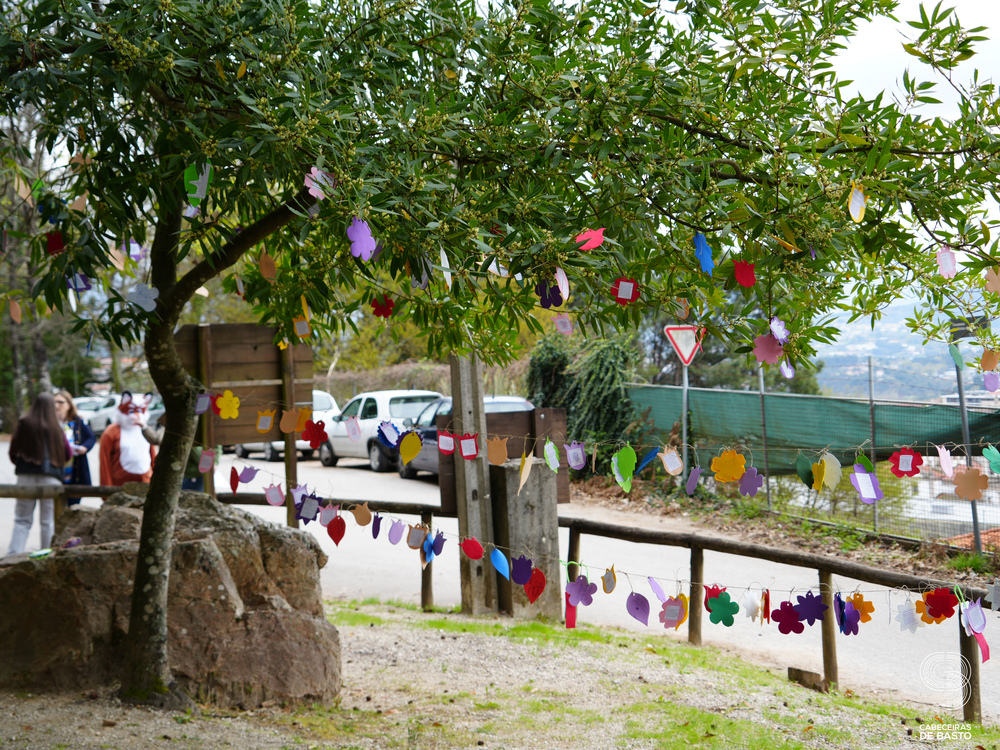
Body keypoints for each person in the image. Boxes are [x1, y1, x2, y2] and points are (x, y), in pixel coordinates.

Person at [7, 393, 73, 555]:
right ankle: (45, 556)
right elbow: (68, 453)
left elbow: (13, 451)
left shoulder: (24, 423)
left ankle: (13, 556)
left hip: (25, 478)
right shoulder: (57, 427)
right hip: (51, 480)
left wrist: (23, 465)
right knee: (48, 521)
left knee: (22, 519)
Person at [99, 391, 157, 486]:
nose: (136, 415)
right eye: (131, 411)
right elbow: (105, 462)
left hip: (145, 480)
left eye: (139, 411)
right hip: (121, 482)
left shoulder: (145, 430)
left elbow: (153, 457)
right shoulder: (111, 432)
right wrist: (106, 488)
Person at [54, 390, 96, 505]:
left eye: (60, 402)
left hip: (75, 472)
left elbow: (91, 438)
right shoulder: (50, 423)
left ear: (68, 405)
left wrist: (84, 448)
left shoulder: (77, 422)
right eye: (54, 402)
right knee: (57, 508)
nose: (56, 405)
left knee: (73, 507)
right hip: (56, 473)